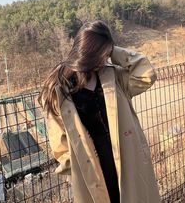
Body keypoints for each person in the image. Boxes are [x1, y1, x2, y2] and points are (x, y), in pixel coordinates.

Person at [39, 20, 161, 203]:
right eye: (101, 55)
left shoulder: (113, 76)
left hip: (125, 161)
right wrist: (73, 174)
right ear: (87, 53)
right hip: (91, 172)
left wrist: (113, 50)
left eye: (106, 54)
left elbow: (146, 74)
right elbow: (60, 144)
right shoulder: (58, 89)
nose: (104, 60)